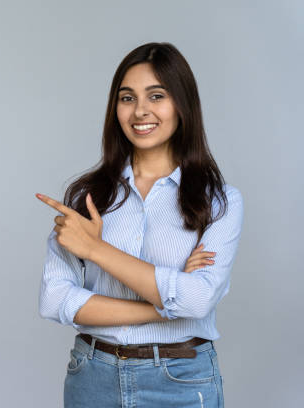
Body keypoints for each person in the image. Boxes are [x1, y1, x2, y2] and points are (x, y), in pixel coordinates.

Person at [35, 42, 244, 408]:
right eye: (127, 98)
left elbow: (199, 299)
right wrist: (167, 303)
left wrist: (95, 250)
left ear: (182, 104)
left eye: (157, 95)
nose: (140, 111)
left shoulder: (218, 201)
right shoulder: (86, 197)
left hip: (180, 380)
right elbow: (55, 300)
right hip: (92, 378)